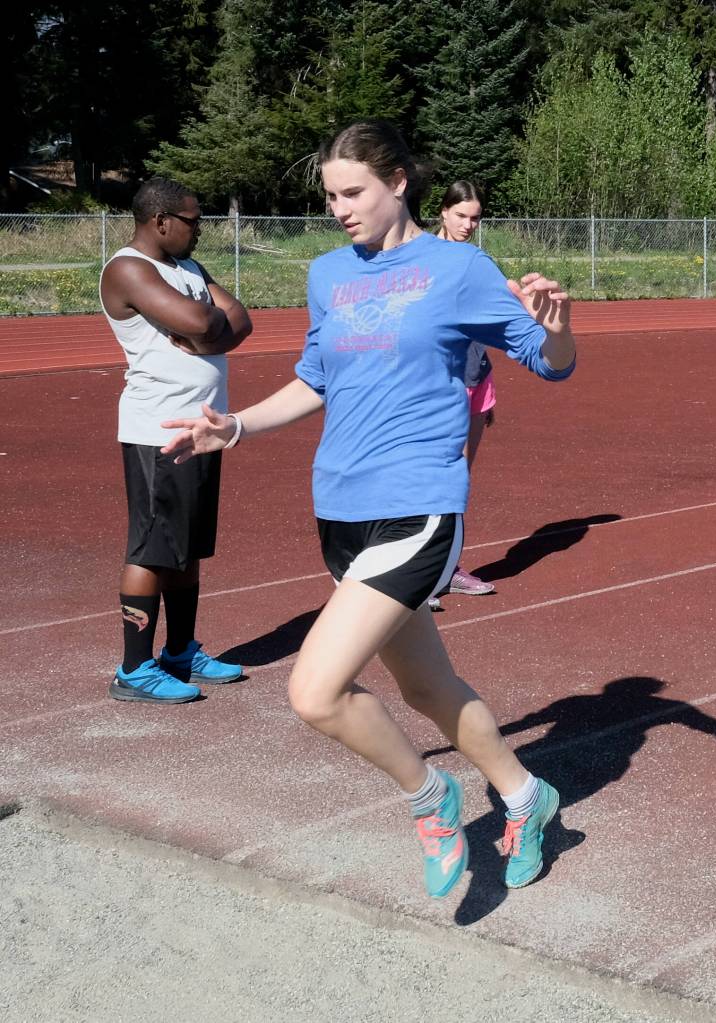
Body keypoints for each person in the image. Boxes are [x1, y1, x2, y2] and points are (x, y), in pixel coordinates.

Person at [162, 121, 576, 896]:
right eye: (329, 196)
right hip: (341, 509)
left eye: (353, 192)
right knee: (426, 688)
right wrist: (236, 425)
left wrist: (558, 332)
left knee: (314, 691)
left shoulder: (456, 267)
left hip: (419, 505)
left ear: (399, 183)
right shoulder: (329, 275)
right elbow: (315, 378)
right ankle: (529, 798)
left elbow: (548, 361)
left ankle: (431, 798)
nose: (340, 209)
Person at [99, 176, 252, 704]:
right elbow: (199, 317)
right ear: (160, 220)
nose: (200, 230)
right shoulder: (128, 268)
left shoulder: (187, 268)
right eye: (193, 221)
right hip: (156, 430)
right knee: (151, 547)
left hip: (201, 428)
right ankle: (134, 668)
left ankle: (181, 650)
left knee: (185, 547)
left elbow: (241, 321)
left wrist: (203, 331)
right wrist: (203, 324)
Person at [430, 180, 496, 607]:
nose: (469, 225)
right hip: (438, 384)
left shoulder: (477, 260)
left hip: (478, 379)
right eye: (461, 216)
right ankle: (424, 576)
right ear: (443, 212)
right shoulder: (422, 258)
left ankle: (449, 570)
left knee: (457, 482)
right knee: (431, 478)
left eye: (475, 218)